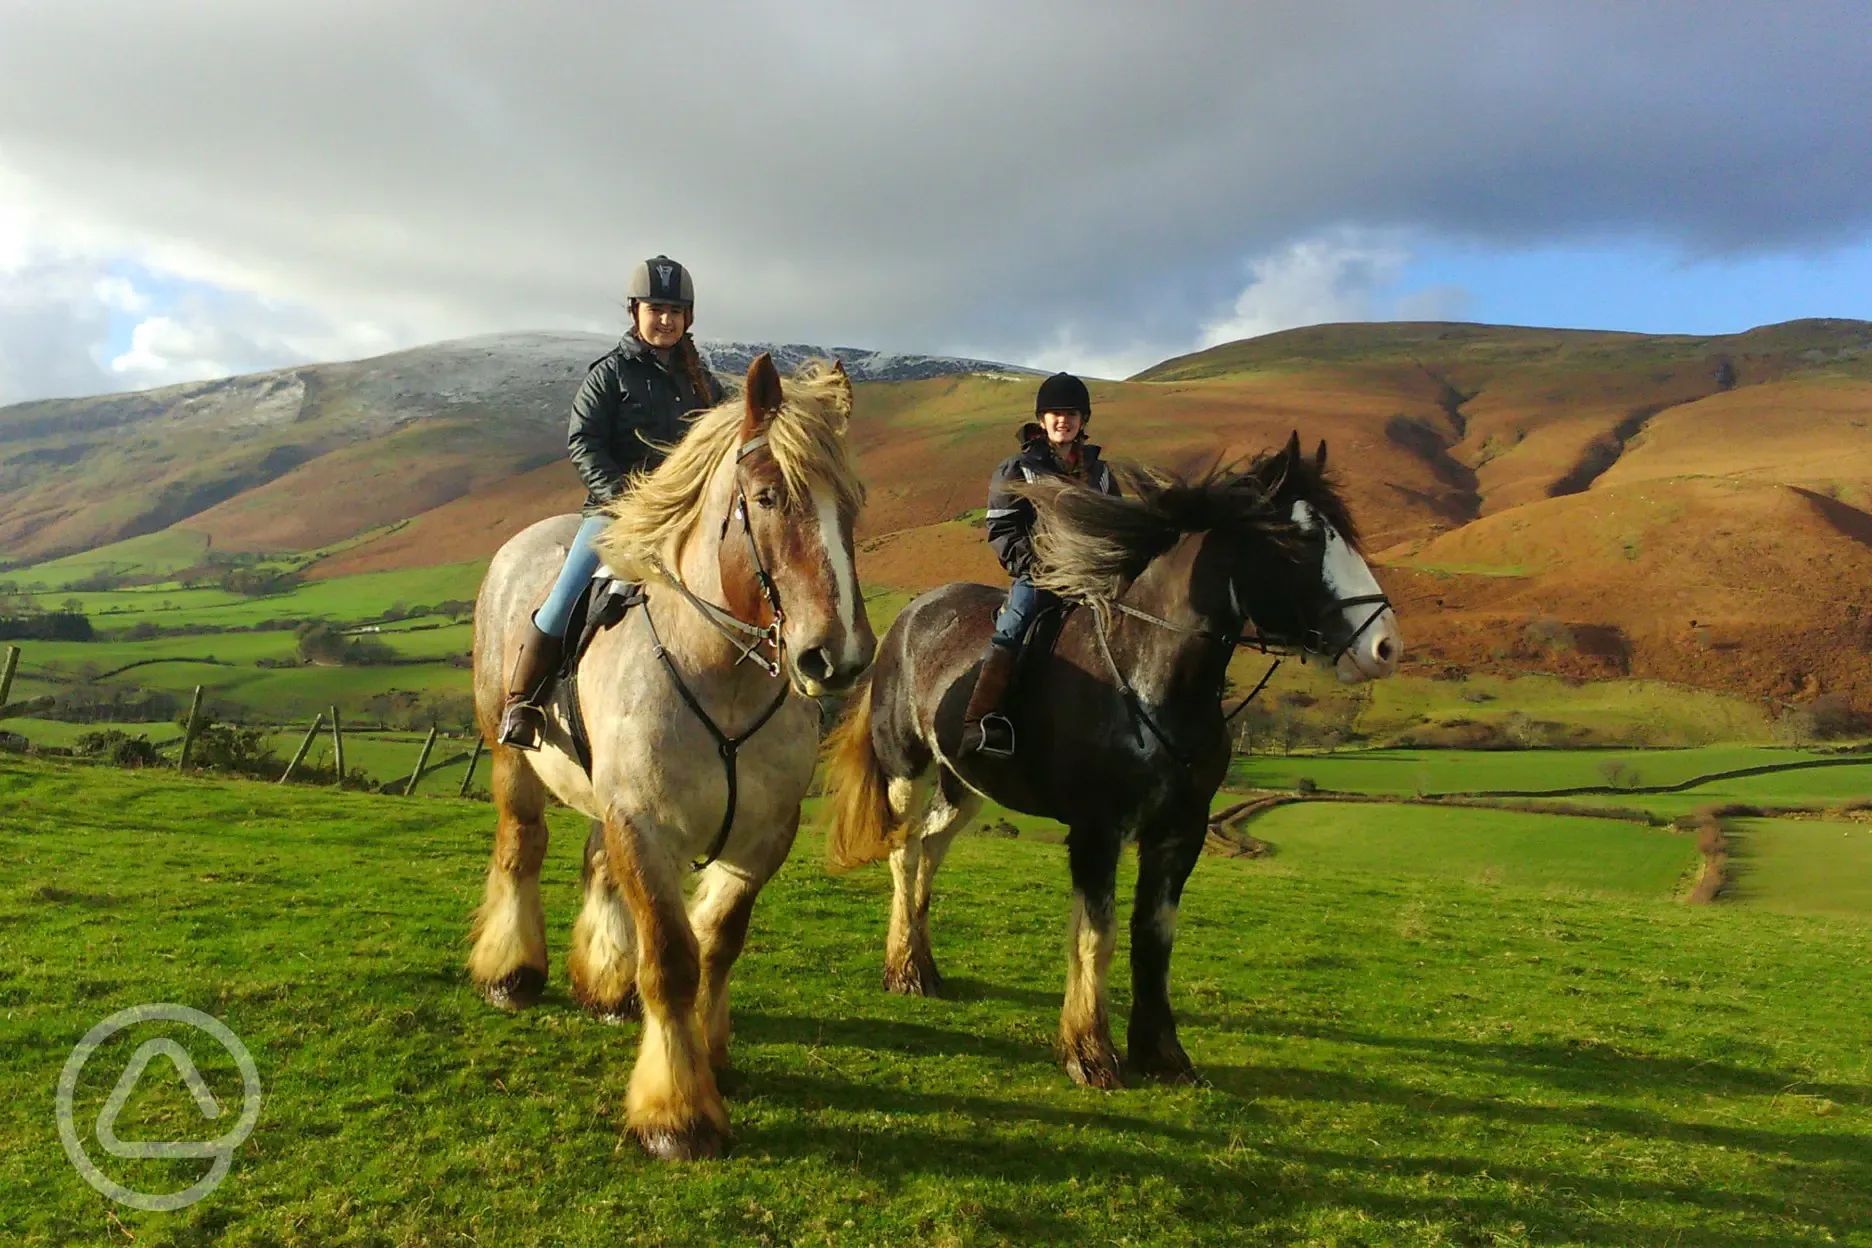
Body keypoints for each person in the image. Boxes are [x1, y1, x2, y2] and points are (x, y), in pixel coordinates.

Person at [497, 255, 726, 749]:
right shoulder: (610, 375)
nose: (665, 319)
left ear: (688, 317)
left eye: (675, 310)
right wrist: (623, 500)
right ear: (634, 311)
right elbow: (583, 440)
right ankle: (523, 703)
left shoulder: (704, 383)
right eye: (655, 308)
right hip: (616, 514)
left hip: (688, 515)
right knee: (566, 598)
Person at [961, 371, 1120, 758]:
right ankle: (981, 721)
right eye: (1054, 413)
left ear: (1083, 420)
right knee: (1017, 620)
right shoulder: (1018, 468)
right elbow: (1002, 529)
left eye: (1071, 413)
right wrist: (1036, 567)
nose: (1062, 420)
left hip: (1094, 578)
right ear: (1042, 419)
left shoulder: (1100, 474)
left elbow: (1116, 527)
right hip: (1041, 575)